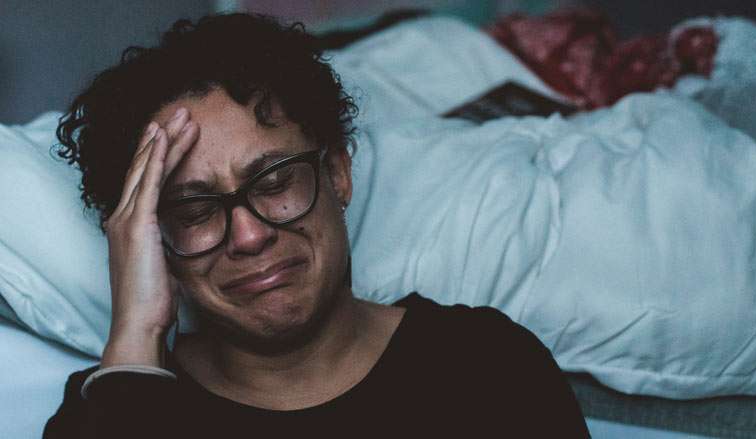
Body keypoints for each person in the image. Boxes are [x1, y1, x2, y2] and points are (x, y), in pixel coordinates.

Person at [43, 13, 590, 438]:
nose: (250, 236)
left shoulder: (486, 367)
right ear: (152, 241)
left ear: (337, 173)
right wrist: (136, 338)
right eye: (194, 212)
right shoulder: (107, 409)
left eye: (276, 182)